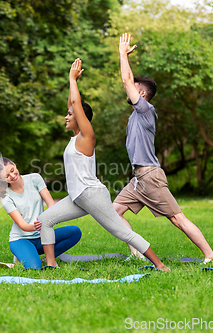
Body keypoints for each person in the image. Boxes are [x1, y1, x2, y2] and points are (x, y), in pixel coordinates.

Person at [38, 58, 170, 271]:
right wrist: (72, 82)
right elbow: (73, 104)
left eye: (70, 114)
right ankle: (52, 266)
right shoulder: (74, 139)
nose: (66, 115)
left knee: (122, 232)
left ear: (82, 119)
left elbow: (76, 105)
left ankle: (160, 265)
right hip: (77, 196)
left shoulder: (86, 136)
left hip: (91, 194)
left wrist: (73, 80)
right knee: (45, 219)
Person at [112, 33, 213, 263]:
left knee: (177, 219)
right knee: (114, 212)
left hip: (150, 176)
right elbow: (128, 81)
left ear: (142, 94)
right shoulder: (134, 116)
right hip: (138, 179)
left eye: (133, 88)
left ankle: (210, 255)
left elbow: (127, 81)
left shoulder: (146, 111)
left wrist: (122, 54)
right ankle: (137, 253)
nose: (127, 88)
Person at [0, 157, 82, 269]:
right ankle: (22, 256)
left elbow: (50, 204)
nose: (12, 176)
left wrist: (52, 217)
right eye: (7, 176)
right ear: (1, 179)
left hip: (42, 237)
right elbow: (23, 225)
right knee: (34, 267)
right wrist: (36, 226)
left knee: (74, 232)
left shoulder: (34, 178)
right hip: (21, 239)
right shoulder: (5, 197)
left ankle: (49, 256)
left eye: (12, 170)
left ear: (14, 165)